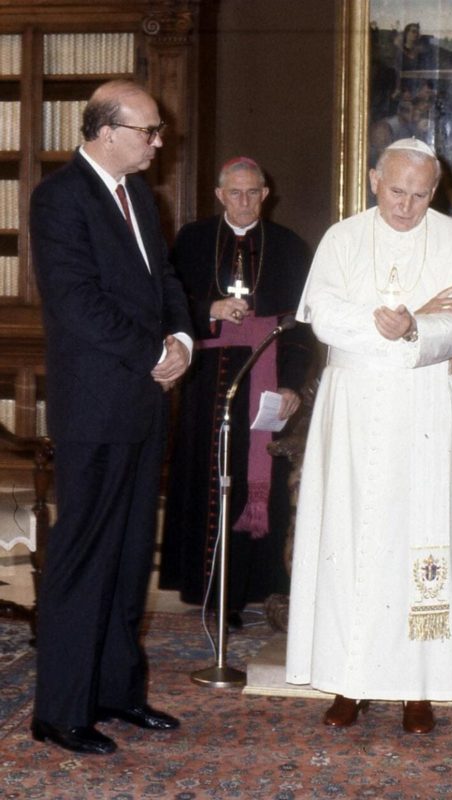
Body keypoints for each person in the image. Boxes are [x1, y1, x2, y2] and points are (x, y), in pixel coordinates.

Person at [285, 137, 452, 734]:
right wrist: (399, 317)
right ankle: (347, 681)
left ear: (436, 191)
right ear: (375, 179)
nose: (406, 206)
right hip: (352, 405)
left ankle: (420, 687)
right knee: (349, 538)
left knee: (422, 538)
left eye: (421, 194)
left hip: (425, 405)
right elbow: (323, 316)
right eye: (397, 190)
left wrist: (414, 326)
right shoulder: (342, 238)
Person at [29, 80, 194, 755]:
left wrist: (182, 338)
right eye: (148, 131)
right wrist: (153, 351)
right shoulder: (59, 199)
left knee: (129, 561)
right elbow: (77, 304)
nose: (158, 142)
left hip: (143, 404)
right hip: (95, 407)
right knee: (83, 557)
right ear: (104, 131)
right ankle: (61, 711)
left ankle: (117, 693)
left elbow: (167, 283)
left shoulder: (142, 200)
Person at [159, 157, 313, 625]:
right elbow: (170, 302)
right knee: (206, 479)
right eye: (235, 193)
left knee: (254, 483)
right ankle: (211, 594)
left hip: (265, 379)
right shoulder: (193, 240)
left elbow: (302, 325)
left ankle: (260, 588)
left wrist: (291, 385)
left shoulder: (288, 246)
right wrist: (211, 307)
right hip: (206, 383)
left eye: (253, 193)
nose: (244, 202)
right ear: (219, 195)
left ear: (266, 195)